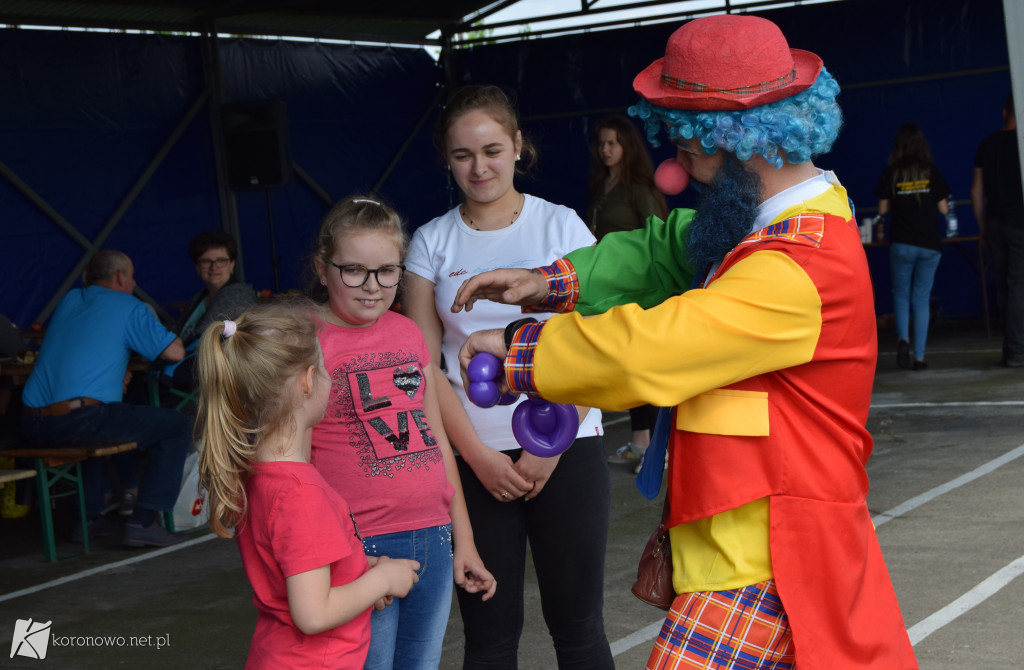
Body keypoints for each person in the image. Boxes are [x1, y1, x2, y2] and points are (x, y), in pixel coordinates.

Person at [452, 15, 917, 670]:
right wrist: (549, 280)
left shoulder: (800, 265)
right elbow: (667, 247)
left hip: (770, 560)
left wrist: (523, 350)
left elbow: (654, 349)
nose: (675, 166)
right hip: (734, 551)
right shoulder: (757, 226)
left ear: (739, 140)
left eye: (688, 145)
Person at [403, 84, 613, 669]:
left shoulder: (562, 227)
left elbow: (602, 341)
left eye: (492, 150)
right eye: (463, 155)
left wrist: (555, 441)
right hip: (475, 461)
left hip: (568, 450)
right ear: (446, 158)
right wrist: (477, 457)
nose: (480, 167)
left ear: (518, 146)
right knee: (490, 637)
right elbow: (424, 369)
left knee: (578, 629)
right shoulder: (430, 242)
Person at [309, 196, 496, 670]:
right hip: (360, 549)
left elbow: (436, 441)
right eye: (353, 270)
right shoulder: (303, 341)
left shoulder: (408, 332)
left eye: (387, 271)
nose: (372, 287)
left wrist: (464, 541)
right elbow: (293, 466)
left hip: (432, 538)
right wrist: (341, 558)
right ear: (322, 267)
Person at [195, 301, 421, 670]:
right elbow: (314, 613)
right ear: (306, 381)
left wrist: (362, 569)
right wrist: (381, 580)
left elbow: (298, 565)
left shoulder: (259, 475)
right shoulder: (301, 493)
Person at [21, 249, 192, 547]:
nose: (134, 282)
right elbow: (174, 352)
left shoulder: (70, 300)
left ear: (87, 276)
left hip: (30, 422)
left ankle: (87, 520)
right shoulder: (130, 305)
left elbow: (88, 342)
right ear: (120, 277)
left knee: (102, 422)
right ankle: (143, 521)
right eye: (132, 275)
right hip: (78, 419)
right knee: (176, 424)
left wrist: (119, 363)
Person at [587, 115, 667, 469]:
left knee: (645, 366)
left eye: (613, 143)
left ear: (626, 147)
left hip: (639, 288)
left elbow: (658, 237)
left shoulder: (639, 188)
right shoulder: (601, 185)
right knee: (626, 365)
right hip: (612, 288)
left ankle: (657, 451)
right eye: (602, 143)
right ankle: (639, 442)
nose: (606, 149)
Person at [874, 123, 951, 371]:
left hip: (901, 243)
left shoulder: (891, 172)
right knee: (921, 297)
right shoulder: (931, 170)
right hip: (929, 243)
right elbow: (944, 209)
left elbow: (882, 210)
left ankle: (902, 339)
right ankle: (919, 357)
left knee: (900, 294)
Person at [972, 93, 1024, 368]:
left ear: (1005, 112)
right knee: (1018, 287)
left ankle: (1011, 349)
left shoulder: (987, 145)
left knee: (1005, 286)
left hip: (995, 225)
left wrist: (983, 229)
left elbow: (976, 192)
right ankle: (1017, 352)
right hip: (1019, 224)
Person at [170, 231, 256, 389]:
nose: (214, 267)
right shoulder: (200, 298)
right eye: (206, 261)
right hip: (188, 377)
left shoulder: (238, 296)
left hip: (213, 383)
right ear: (197, 267)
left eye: (221, 260)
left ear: (232, 265)